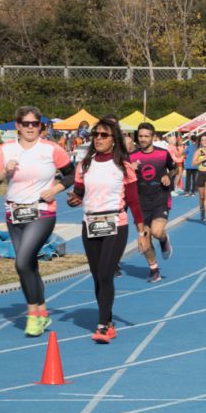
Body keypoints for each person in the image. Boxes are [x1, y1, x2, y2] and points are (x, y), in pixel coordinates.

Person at [0, 106, 74, 336]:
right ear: (17, 125)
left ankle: (33, 314)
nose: (30, 128)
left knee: (22, 263)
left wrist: (55, 188)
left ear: (41, 127)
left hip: (42, 211)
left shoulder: (51, 149)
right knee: (30, 265)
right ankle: (43, 313)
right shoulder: (6, 149)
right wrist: (3, 172)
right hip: (14, 213)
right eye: (26, 123)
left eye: (35, 124)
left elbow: (72, 174)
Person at [68, 116, 140, 343]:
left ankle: (101, 325)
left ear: (114, 139)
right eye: (95, 135)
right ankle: (107, 321)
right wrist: (74, 199)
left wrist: (142, 232)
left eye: (104, 135)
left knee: (106, 273)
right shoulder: (84, 165)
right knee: (98, 276)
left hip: (115, 224)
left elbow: (135, 202)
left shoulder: (123, 167)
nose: (98, 139)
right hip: (90, 224)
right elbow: (79, 192)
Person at [129, 122, 178, 284]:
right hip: (141, 203)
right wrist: (130, 169)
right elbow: (123, 177)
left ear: (153, 137)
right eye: (140, 136)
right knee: (145, 239)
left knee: (157, 232)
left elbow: (174, 168)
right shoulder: (131, 157)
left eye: (146, 136)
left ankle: (164, 240)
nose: (142, 139)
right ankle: (154, 269)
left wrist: (168, 176)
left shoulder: (163, 154)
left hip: (160, 199)